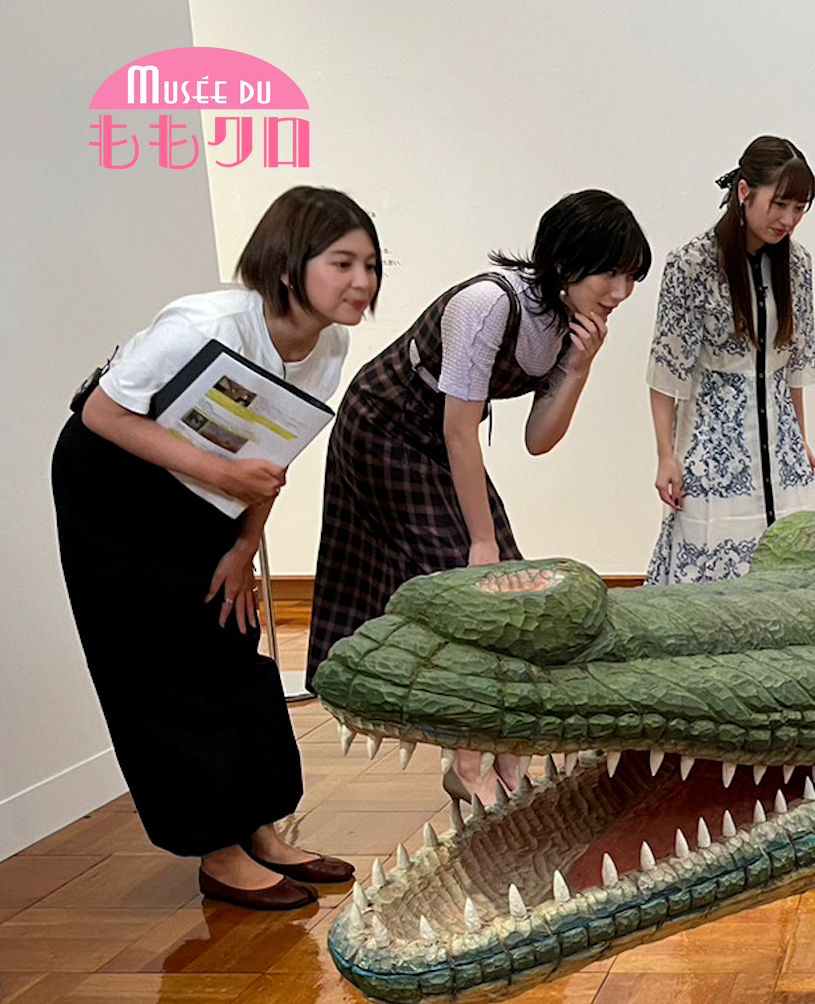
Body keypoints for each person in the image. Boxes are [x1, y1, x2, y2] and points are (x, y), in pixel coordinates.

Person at [53, 186, 379, 910]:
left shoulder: (330, 342)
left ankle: (260, 828)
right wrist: (223, 476)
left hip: (209, 485)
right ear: (289, 264)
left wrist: (245, 545)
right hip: (115, 486)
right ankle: (218, 850)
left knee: (232, 644)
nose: (362, 281)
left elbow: (273, 447)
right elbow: (102, 413)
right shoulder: (207, 324)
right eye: (342, 263)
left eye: (370, 264)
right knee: (158, 664)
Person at [306, 189, 650, 808]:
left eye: (631, 277)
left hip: (441, 438)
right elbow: (459, 431)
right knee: (464, 577)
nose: (621, 292)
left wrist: (579, 367)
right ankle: (466, 761)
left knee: (512, 587)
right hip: (384, 426)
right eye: (611, 273)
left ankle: (504, 748)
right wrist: (480, 539)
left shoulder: (567, 325)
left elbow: (538, 441)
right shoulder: (488, 304)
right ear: (565, 262)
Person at [647, 135, 815, 583]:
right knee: (712, 578)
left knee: (789, 572)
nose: (788, 220)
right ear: (744, 191)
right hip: (711, 446)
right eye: (779, 204)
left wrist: (800, 439)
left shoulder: (798, 264)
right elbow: (668, 369)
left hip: (779, 446)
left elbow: (794, 368)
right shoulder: (692, 263)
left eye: (799, 208)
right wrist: (666, 456)